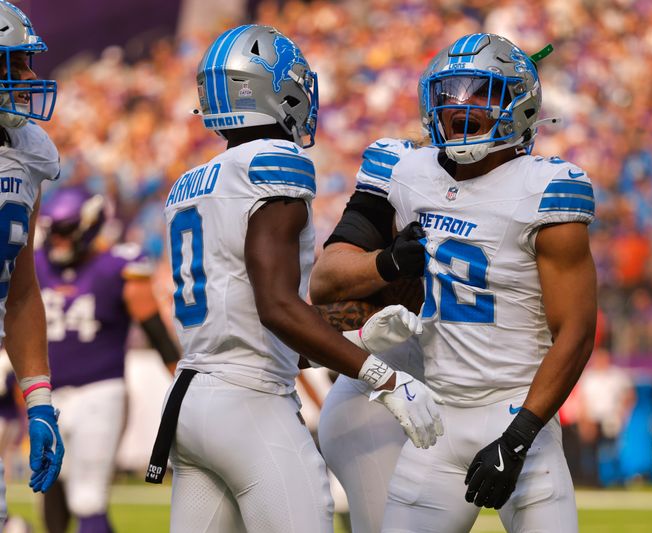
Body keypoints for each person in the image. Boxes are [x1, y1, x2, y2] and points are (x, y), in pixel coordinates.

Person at [151, 25, 442, 533]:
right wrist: (384, 375)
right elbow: (276, 307)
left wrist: (352, 336)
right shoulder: (274, 162)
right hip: (250, 403)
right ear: (272, 89)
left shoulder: (191, 182)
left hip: (191, 399)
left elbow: (238, 316)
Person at [351, 33, 596, 533]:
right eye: (450, 95)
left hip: (518, 409)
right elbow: (342, 273)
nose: (461, 110)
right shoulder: (409, 173)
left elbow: (576, 330)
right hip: (437, 418)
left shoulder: (546, 188)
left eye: (481, 94)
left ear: (521, 106)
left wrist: (520, 435)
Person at [34, 186, 181, 533]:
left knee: (88, 497)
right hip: (48, 395)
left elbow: (156, 331)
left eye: (65, 230)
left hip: (99, 393)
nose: (58, 240)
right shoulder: (36, 263)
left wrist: (184, 381)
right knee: (49, 489)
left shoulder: (118, 265)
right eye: (53, 230)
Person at [311, 136, 425, 533]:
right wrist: (389, 262)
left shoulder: (525, 189)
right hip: (381, 400)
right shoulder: (401, 169)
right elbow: (324, 284)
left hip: (482, 397)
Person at [0, 0, 65, 520]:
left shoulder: (28, 150)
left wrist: (39, 399)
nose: (29, 75)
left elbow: (20, 289)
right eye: (16, 63)